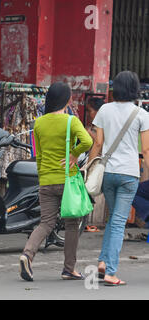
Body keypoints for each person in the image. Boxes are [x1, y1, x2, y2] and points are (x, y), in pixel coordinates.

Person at [19, 82, 93, 282]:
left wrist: (43, 178)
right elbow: (88, 141)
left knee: (46, 223)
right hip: (67, 180)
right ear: (67, 100)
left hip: (46, 180)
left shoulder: (39, 123)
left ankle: (27, 254)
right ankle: (69, 269)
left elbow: (39, 155)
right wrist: (74, 155)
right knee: (71, 223)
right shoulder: (71, 121)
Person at [88, 71, 149, 286]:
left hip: (108, 172)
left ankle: (103, 262)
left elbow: (97, 143)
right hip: (128, 174)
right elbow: (147, 149)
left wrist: (88, 167)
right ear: (134, 89)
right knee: (118, 223)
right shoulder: (141, 114)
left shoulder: (104, 109)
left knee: (114, 219)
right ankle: (111, 272)